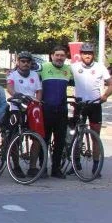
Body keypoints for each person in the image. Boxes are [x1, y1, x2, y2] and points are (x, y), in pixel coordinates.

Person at [71, 42, 112, 177]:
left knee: (95, 136)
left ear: (93, 55)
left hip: (95, 105)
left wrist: (105, 95)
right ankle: (75, 163)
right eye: (85, 53)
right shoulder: (74, 67)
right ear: (81, 55)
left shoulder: (100, 67)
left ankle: (96, 166)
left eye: (89, 53)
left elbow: (111, 85)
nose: (87, 56)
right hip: (80, 105)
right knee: (76, 136)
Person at [39, 44, 72, 179]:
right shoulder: (43, 67)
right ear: (52, 56)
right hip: (46, 110)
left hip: (61, 110)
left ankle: (56, 169)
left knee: (59, 141)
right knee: (44, 140)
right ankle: (42, 168)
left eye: (62, 55)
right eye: (57, 55)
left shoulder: (68, 70)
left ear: (65, 57)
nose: (59, 58)